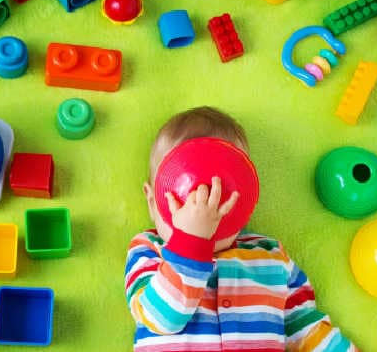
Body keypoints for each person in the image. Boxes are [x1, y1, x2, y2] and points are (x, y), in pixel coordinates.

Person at [125, 106, 358, 352]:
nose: (203, 212)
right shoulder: (150, 251)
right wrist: (190, 241)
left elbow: (305, 327)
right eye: (183, 202)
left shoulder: (270, 257)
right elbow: (161, 319)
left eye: (219, 196)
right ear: (152, 202)